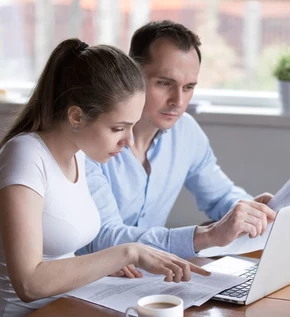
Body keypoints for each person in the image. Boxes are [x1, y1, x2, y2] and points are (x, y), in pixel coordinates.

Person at [0, 38, 209, 317]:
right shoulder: (25, 156)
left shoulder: (79, 154)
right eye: (118, 128)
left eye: (132, 126)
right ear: (77, 117)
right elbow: (29, 283)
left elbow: (60, 253)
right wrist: (125, 254)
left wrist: (101, 266)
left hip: (70, 304)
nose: (128, 141)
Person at [81, 20, 276, 276]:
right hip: (88, 284)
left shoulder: (186, 131)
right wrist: (205, 236)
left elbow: (219, 196)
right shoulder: (91, 138)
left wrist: (249, 211)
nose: (178, 101)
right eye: (164, 83)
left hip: (151, 281)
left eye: (189, 87)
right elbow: (103, 237)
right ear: (133, 74)